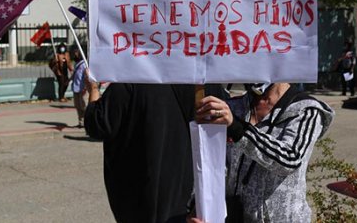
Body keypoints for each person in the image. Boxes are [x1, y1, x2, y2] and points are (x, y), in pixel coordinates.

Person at [193, 83, 334, 223]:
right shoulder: (232, 107)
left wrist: (238, 129)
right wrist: (200, 207)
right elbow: (215, 164)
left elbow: (289, 159)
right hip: (235, 216)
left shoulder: (306, 110)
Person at [84, 80, 199, 222]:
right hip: (182, 189)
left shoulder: (130, 79)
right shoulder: (193, 78)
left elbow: (97, 125)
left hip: (137, 192)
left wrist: (93, 90)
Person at [70, 50, 87, 128]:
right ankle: (81, 122)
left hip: (83, 89)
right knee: (78, 106)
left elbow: (87, 77)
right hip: (76, 88)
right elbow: (75, 75)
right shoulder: (77, 65)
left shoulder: (84, 64)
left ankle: (88, 123)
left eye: (76, 54)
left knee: (84, 106)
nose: (74, 56)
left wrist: (85, 87)